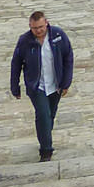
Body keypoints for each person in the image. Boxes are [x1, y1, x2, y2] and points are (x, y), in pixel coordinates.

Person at [9, 11, 75, 161]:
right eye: (34, 28)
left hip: (55, 84)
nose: (38, 31)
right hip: (37, 86)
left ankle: (45, 135)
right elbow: (16, 64)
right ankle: (46, 150)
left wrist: (66, 82)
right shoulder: (25, 41)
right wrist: (15, 87)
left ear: (46, 23)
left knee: (50, 114)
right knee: (43, 114)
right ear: (30, 27)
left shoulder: (58, 35)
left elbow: (68, 57)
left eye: (40, 27)